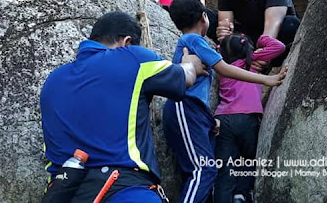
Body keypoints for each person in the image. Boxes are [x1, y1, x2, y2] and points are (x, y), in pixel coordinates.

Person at [40, 11, 208, 202]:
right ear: (127, 42)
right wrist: (190, 64)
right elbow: (185, 77)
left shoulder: (53, 80)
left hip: (64, 192)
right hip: (123, 190)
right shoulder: (132, 58)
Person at [162, 0, 287, 203]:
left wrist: (210, 121)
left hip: (197, 113)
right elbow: (224, 68)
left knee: (208, 170)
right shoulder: (194, 40)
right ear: (204, 17)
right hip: (186, 108)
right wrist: (267, 80)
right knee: (204, 170)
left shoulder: (191, 43)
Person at [213, 34, 285, 203]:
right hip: (248, 118)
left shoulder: (222, 66)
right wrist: (261, 40)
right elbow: (279, 46)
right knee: (248, 160)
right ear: (248, 49)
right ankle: (241, 195)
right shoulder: (251, 60)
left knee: (225, 169)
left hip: (223, 119)